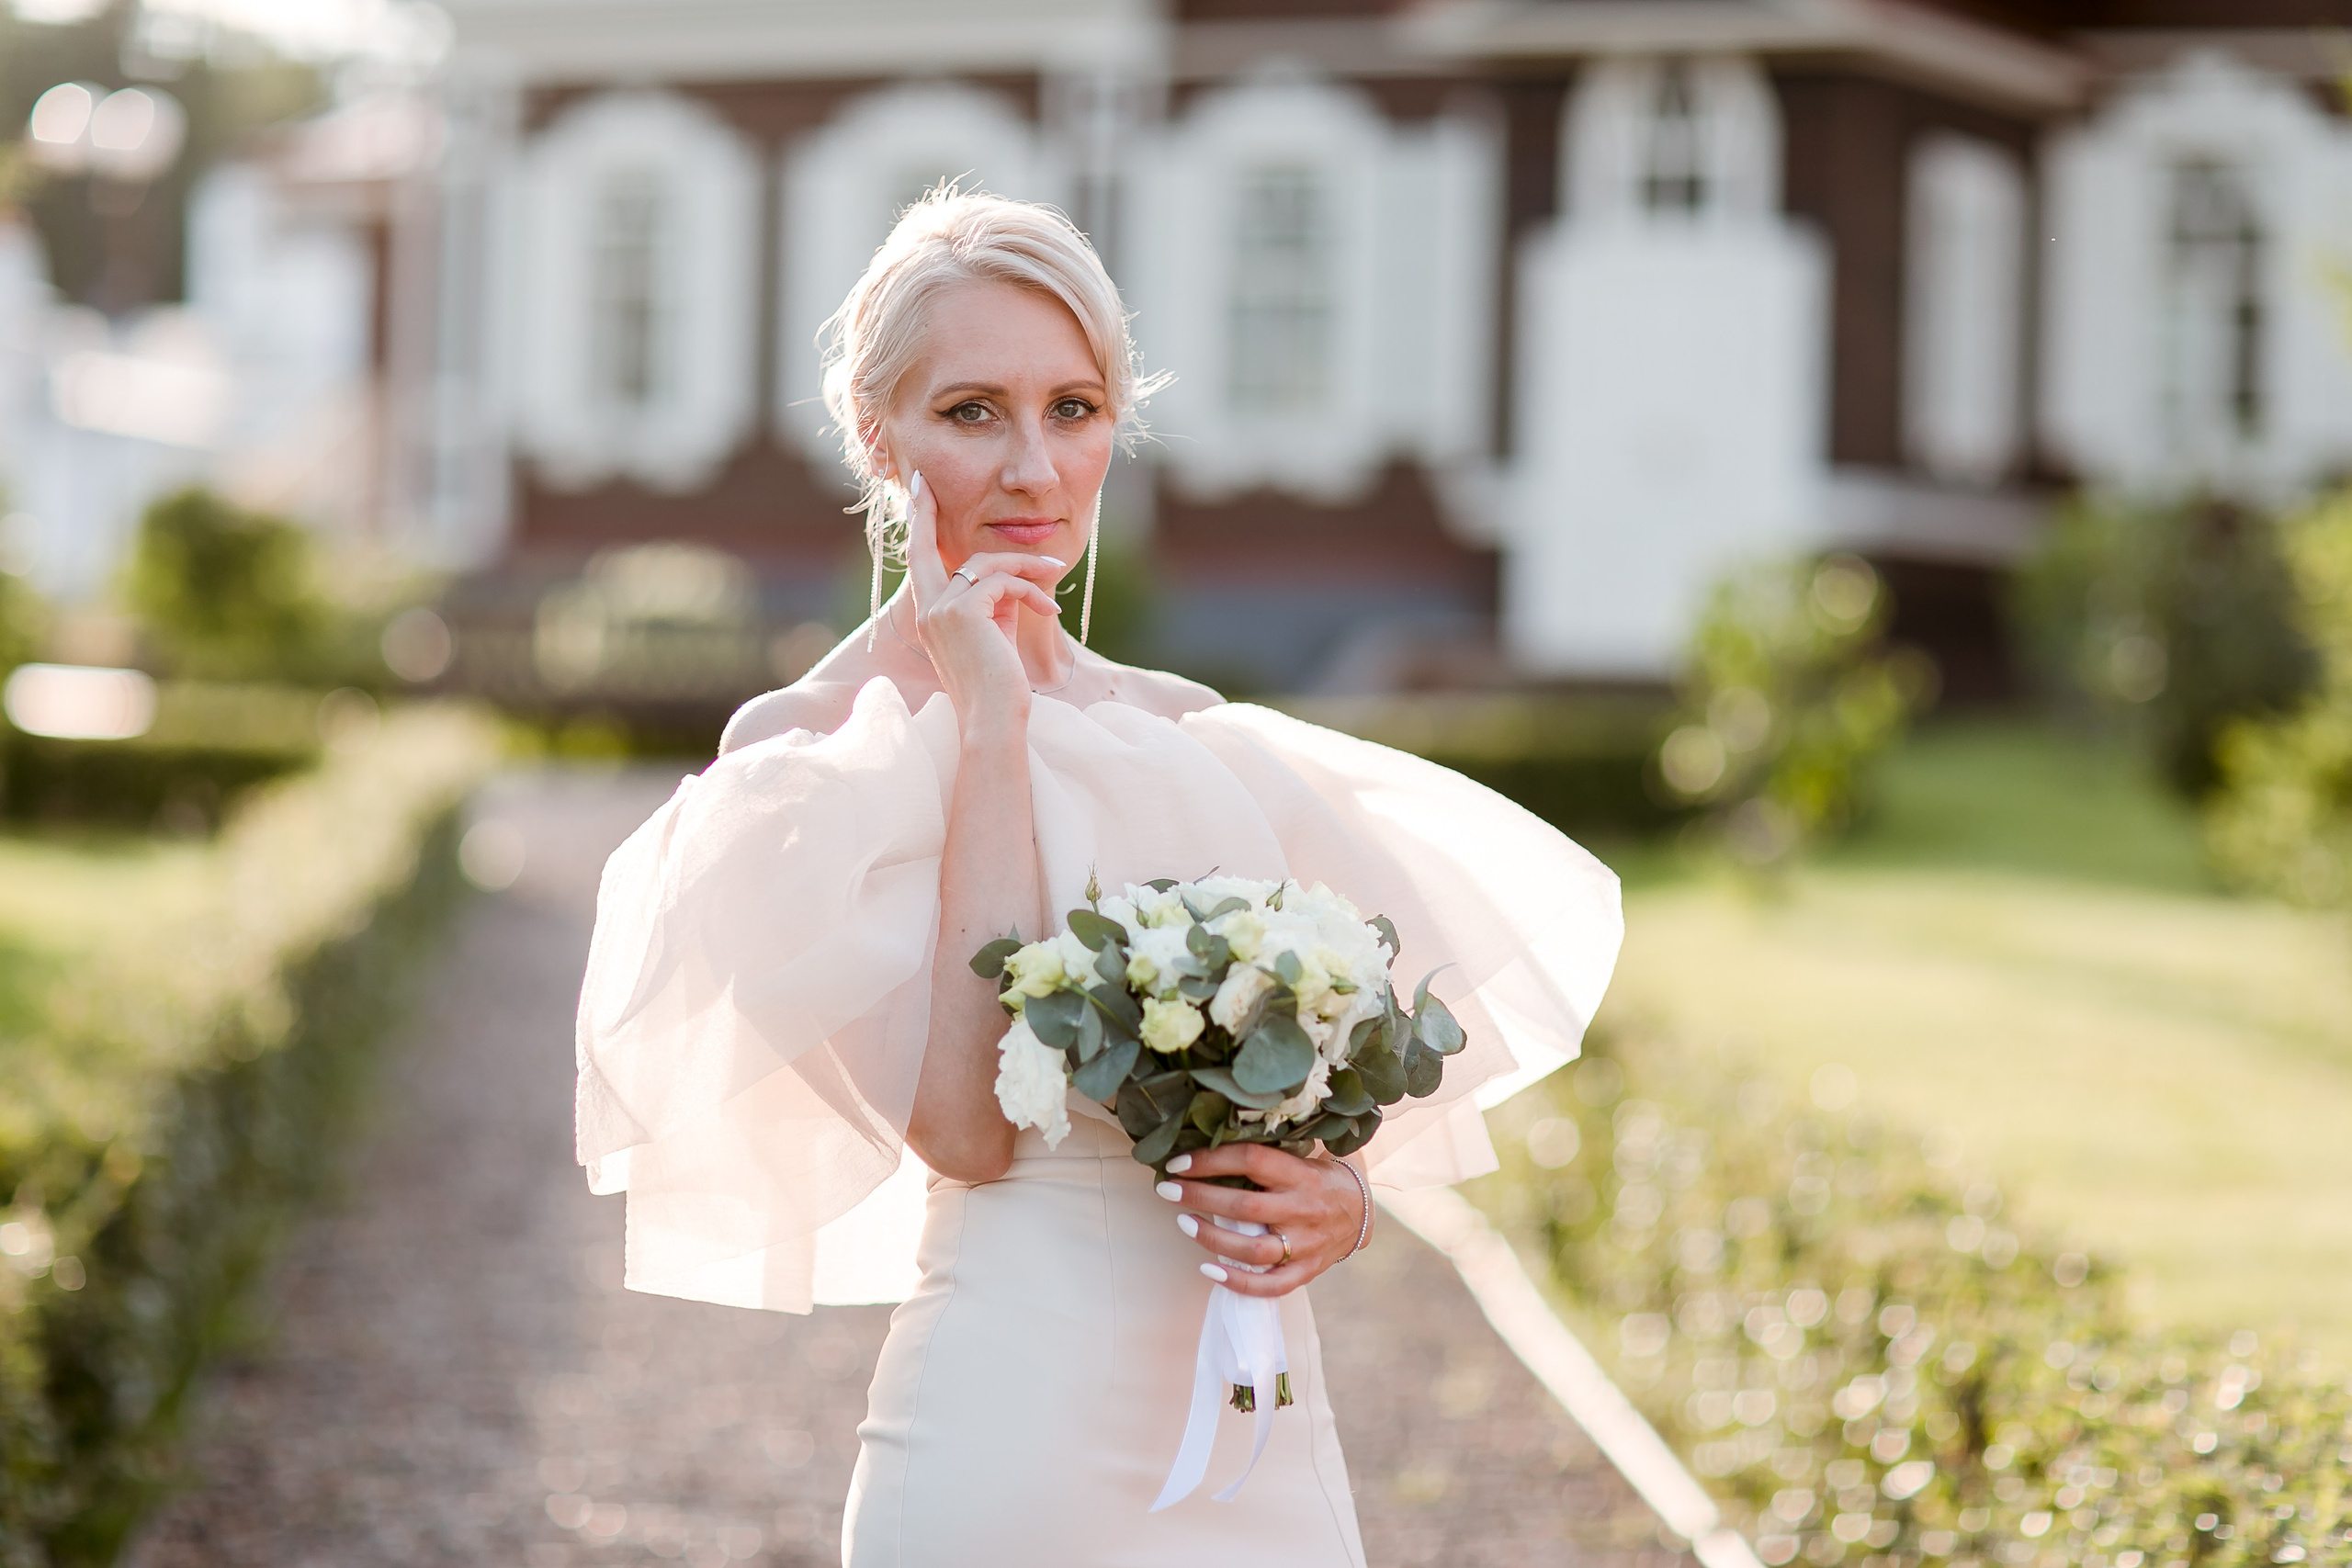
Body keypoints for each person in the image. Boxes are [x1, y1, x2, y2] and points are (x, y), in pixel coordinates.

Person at [573, 188, 1623, 1567]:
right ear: (878, 437)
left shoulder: (1187, 729)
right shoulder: (808, 762)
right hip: (1009, 1433)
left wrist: (1340, 1203)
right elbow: (964, 1129)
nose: (1032, 467)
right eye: (972, 413)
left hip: (1253, 1421)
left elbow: (1317, 1098)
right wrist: (993, 727)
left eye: (1074, 409)